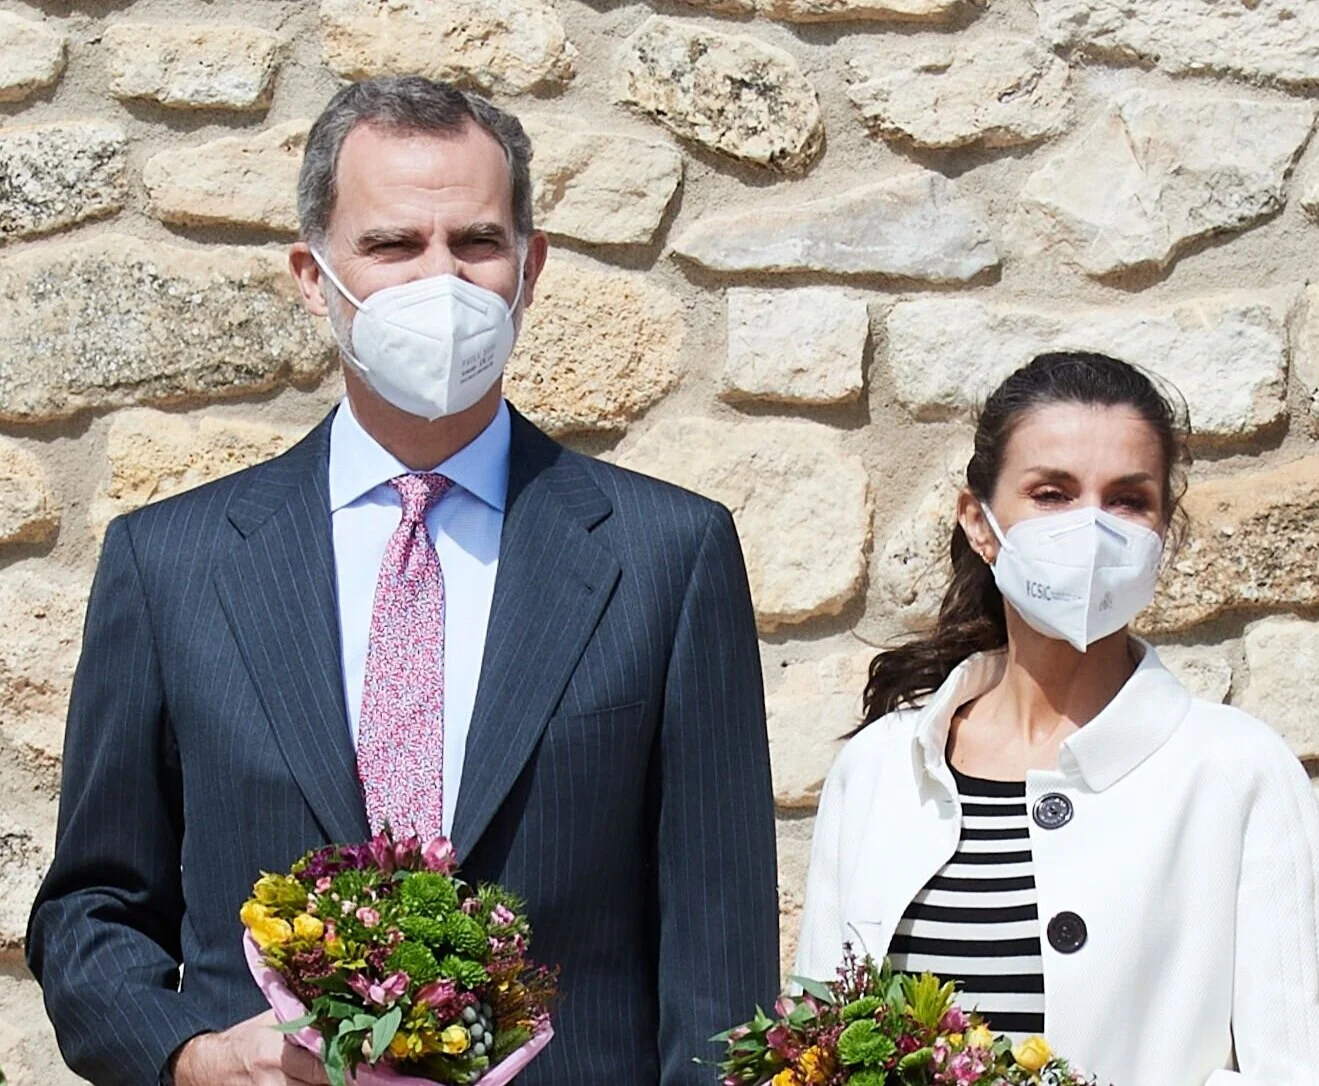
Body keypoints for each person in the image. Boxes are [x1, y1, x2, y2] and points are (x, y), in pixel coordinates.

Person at [27, 76, 778, 1086]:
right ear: (312, 274)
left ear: (530, 268)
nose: (443, 281)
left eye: (475, 243)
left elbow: (719, 948)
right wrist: (195, 1058)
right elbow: (89, 908)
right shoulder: (173, 562)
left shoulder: (665, 556)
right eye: (391, 246)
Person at [794, 352, 1319, 1084]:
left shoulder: (1239, 772)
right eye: (1052, 494)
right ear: (980, 524)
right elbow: (814, 1048)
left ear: (1162, 529)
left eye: (1127, 499)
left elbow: (1294, 1070)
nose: (1091, 529)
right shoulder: (881, 771)